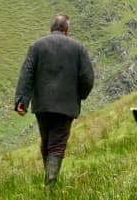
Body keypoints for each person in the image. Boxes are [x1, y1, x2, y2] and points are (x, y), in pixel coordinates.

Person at [14, 14, 94, 186]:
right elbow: (87, 78)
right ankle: (50, 182)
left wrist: (21, 101)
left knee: (47, 142)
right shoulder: (78, 48)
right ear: (67, 30)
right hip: (66, 106)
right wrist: (79, 95)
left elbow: (26, 74)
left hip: (42, 105)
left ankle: (49, 179)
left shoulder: (36, 46)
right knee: (57, 145)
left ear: (51, 29)